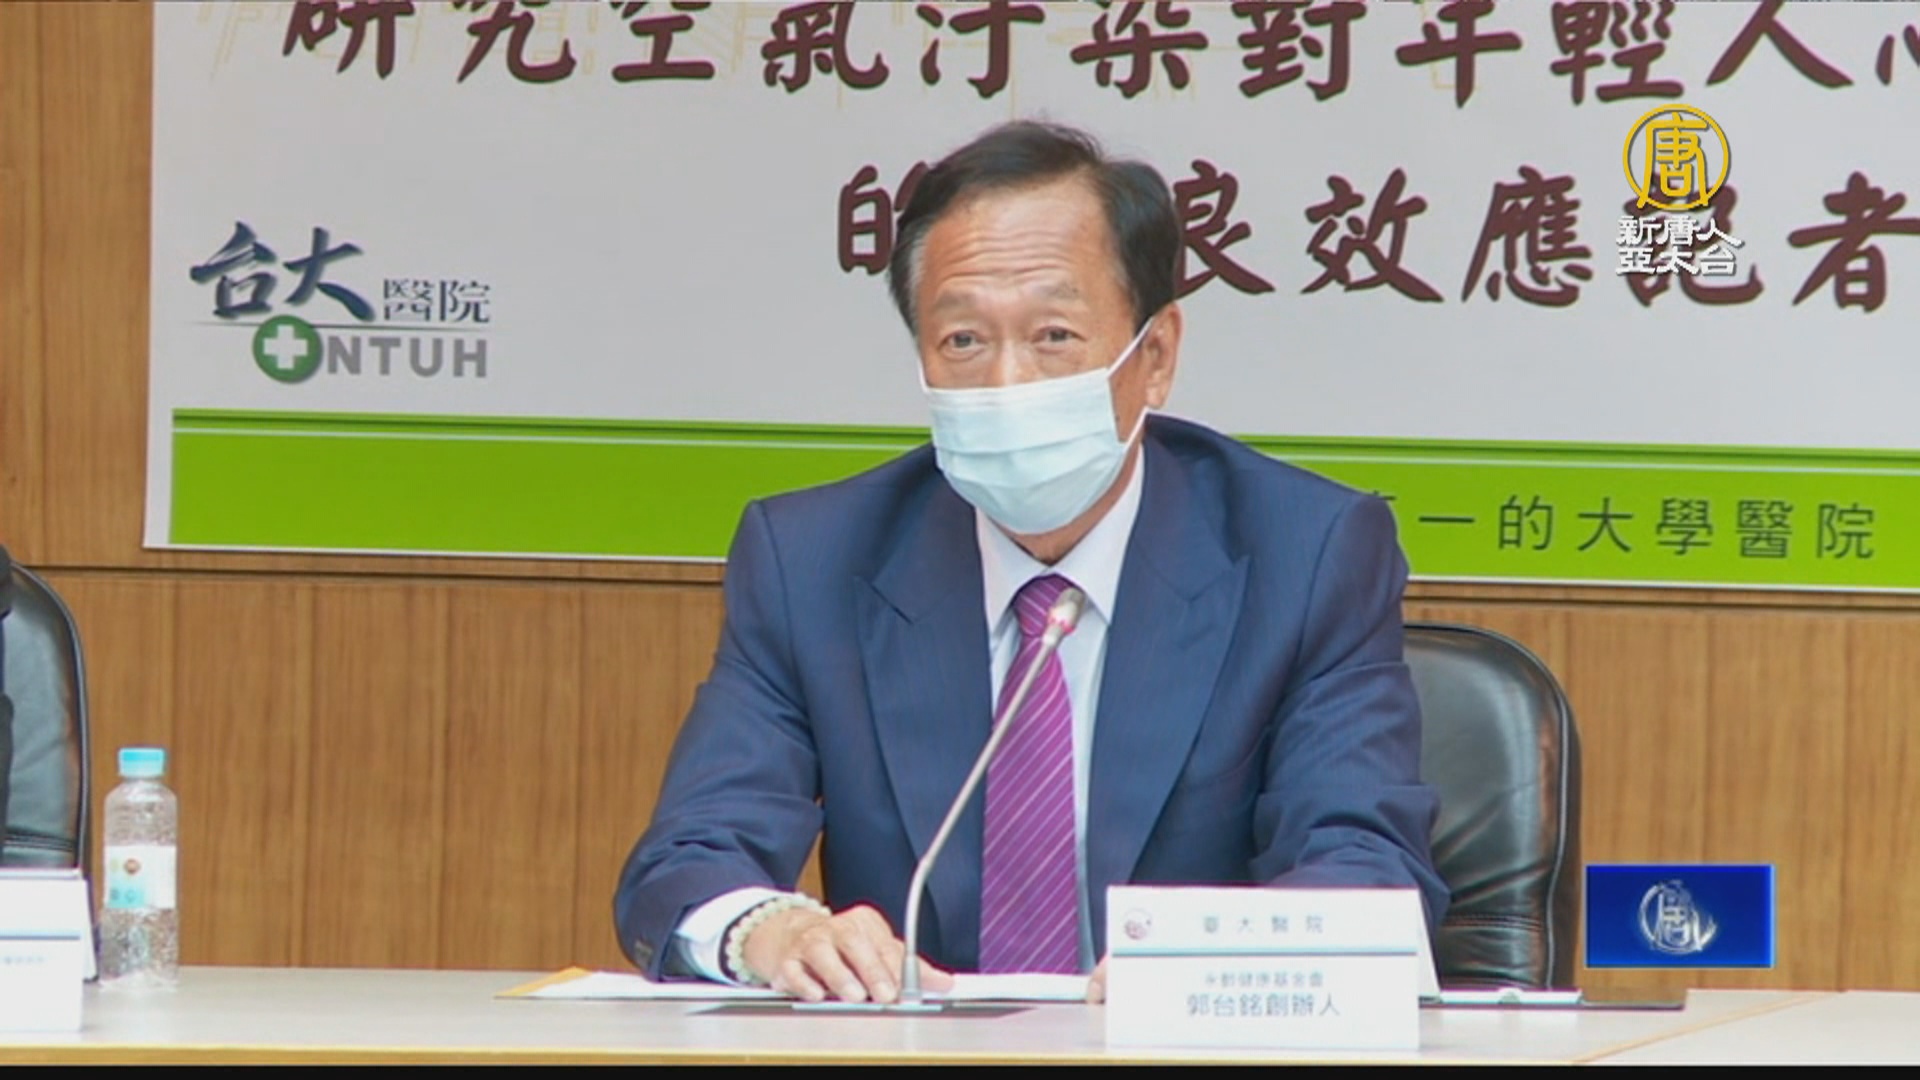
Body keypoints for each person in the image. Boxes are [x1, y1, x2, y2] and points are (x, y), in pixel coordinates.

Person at [614, 121, 1447, 1005]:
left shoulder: (1306, 553)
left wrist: (1203, 963)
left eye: (1053, 335)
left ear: (1154, 356)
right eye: (963, 342)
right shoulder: (813, 562)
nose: (1007, 384)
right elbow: (688, 862)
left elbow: (1363, 863)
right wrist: (775, 932)